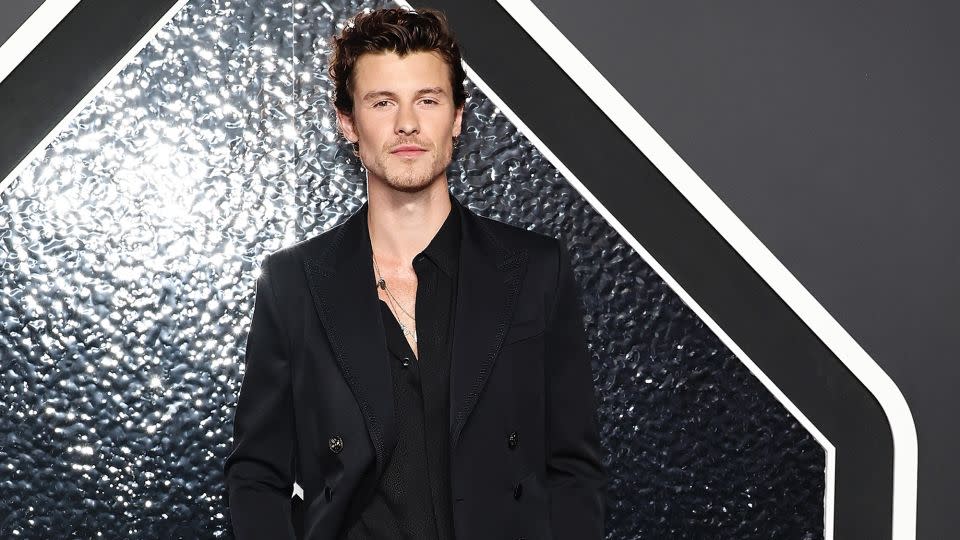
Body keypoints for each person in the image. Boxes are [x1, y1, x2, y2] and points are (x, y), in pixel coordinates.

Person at [223, 7, 605, 539]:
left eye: (427, 100)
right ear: (348, 122)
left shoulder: (536, 270)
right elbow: (256, 474)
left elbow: (573, 468)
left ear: (457, 117)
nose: (407, 123)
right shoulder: (294, 284)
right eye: (383, 103)